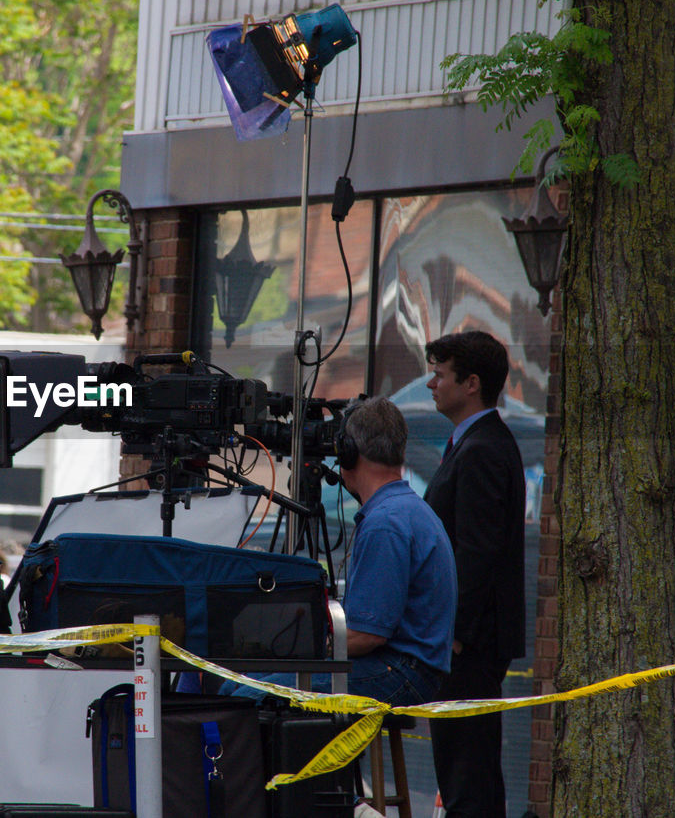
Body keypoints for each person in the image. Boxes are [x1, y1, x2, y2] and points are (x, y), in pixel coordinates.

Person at [222, 395, 455, 708]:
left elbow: (365, 635)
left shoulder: (385, 522)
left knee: (245, 698)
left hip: (398, 672)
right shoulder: (404, 509)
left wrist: (296, 645)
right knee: (232, 683)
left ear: (347, 453)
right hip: (402, 667)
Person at [422, 330, 526, 818]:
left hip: (471, 643)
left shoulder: (482, 448)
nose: (430, 383)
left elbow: (478, 551)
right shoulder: (474, 443)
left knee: (468, 774)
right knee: (465, 768)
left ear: (471, 384)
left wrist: (455, 636)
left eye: (439, 374)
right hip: (468, 639)